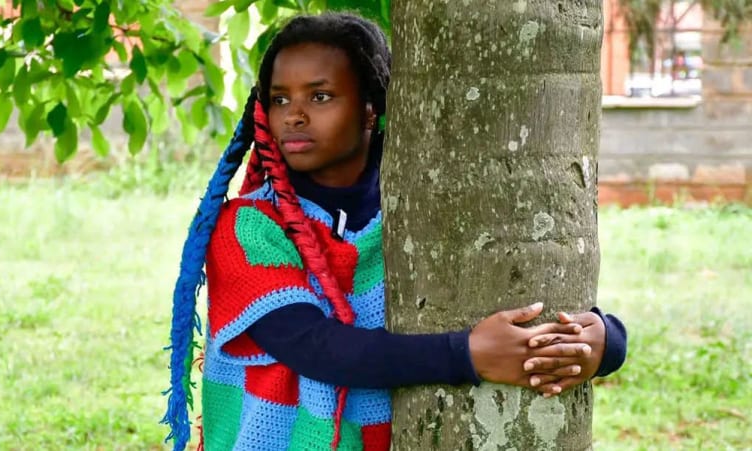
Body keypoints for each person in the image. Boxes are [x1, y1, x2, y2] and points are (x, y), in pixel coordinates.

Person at [162, 12, 626, 451]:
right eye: (280, 98)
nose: (294, 115)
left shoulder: (421, 214)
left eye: (319, 96)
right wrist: (464, 354)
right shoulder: (248, 226)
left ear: (370, 109)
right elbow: (315, 347)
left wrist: (604, 340)